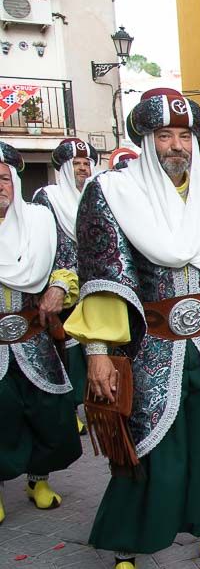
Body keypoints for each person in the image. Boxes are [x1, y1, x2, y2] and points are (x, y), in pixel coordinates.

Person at [65, 88, 200, 569]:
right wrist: (99, 352)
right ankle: (126, 552)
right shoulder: (113, 193)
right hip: (149, 348)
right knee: (151, 454)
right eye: (164, 135)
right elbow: (105, 273)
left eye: (184, 136)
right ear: (146, 140)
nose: (176, 145)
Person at [0, 141, 82, 523]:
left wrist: (58, 287)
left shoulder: (39, 222)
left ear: (14, 182)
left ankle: (38, 480)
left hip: (34, 339)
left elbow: (67, 263)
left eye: (3, 178)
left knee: (47, 412)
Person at [33, 137, 100, 435]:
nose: (83, 168)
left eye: (87, 163)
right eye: (77, 163)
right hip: (61, 287)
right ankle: (71, 407)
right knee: (67, 350)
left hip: (93, 282)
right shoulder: (47, 198)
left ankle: (97, 404)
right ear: (63, 168)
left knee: (96, 347)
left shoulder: (97, 195)